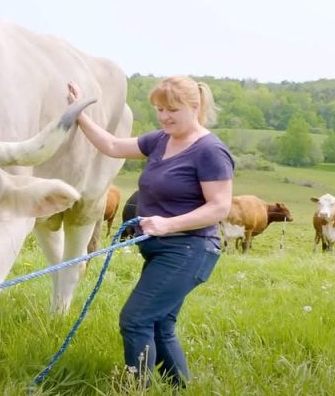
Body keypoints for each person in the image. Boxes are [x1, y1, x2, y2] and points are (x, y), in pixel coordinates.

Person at [67, 76, 234, 387]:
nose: (165, 116)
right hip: (163, 250)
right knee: (160, 324)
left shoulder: (210, 151)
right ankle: (179, 388)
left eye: (172, 109)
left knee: (136, 319)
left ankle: (135, 388)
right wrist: (79, 114)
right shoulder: (161, 140)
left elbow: (220, 207)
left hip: (190, 249)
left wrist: (168, 224)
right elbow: (113, 146)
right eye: (159, 109)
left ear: (195, 107)